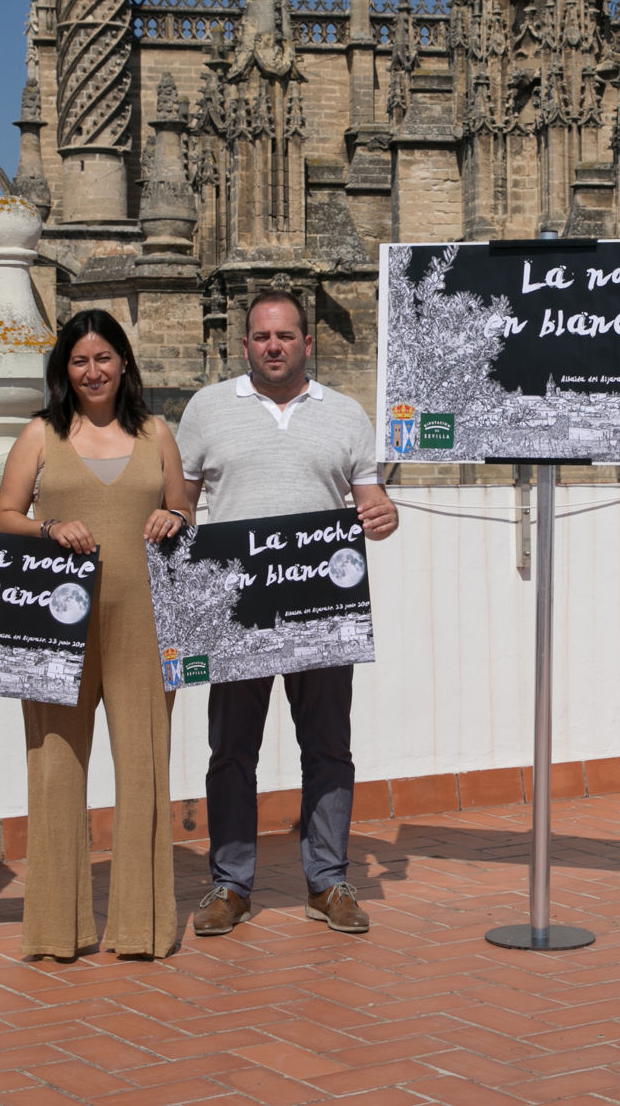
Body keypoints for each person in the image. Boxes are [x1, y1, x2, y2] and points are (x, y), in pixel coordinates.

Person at [177, 291, 399, 938]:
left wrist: (384, 514)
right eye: (261, 336)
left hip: (321, 610)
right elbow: (181, 501)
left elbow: (369, 499)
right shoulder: (207, 409)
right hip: (235, 610)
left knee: (328, 749)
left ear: (306, 342)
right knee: (231, 752)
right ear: (245, 343)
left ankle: (328, 882)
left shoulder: (346, 414)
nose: (272, 345)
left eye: (284, 335)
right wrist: (174, 536)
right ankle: (230, 885)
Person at [0, 309, 191, 961]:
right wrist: (48, 528)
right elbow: (3, 517)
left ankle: (142, 926)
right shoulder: (41, 434)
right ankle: (56, 927)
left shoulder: (157, 433)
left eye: (104, 357)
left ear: (123, 362)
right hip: (57, 627)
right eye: (80, 360)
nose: (93, 370)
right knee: (55, 769)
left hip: (146, 623)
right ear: (64, 369)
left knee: (144, 769)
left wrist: (174, 515)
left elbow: (185, 509)